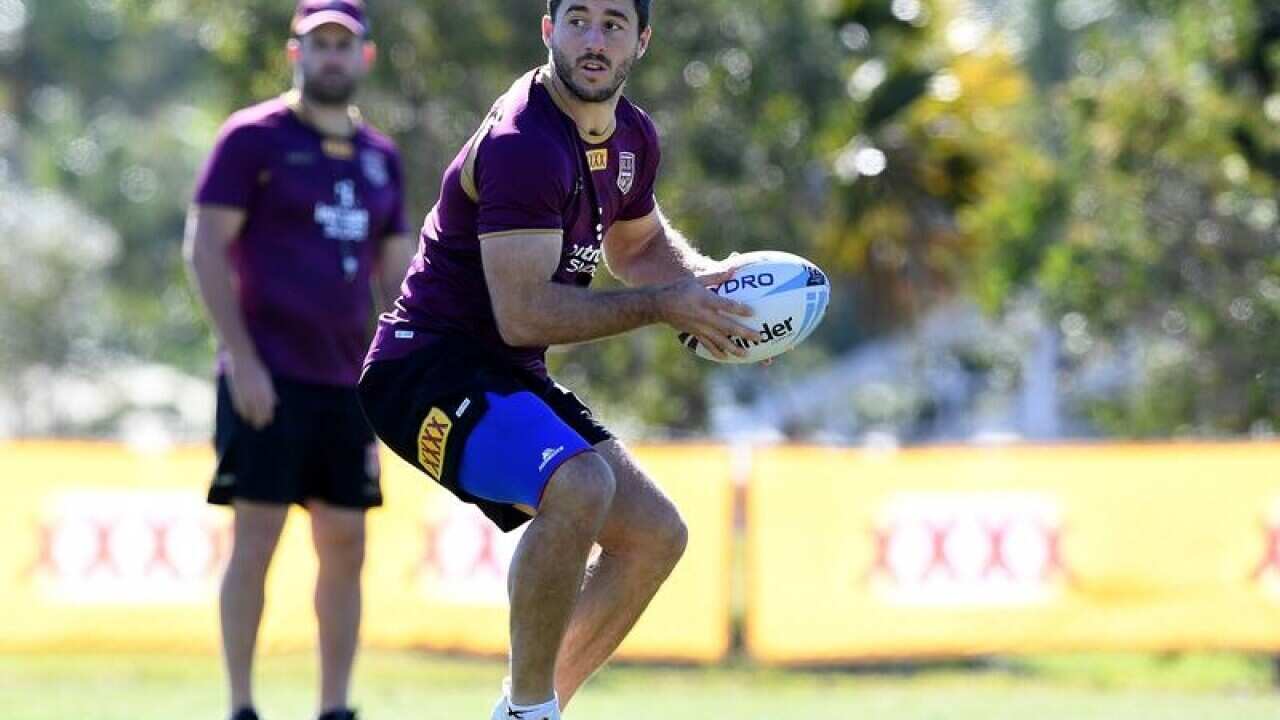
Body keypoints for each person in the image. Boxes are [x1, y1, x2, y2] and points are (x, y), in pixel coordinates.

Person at [357, 1, 762, 718]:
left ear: (642, 39)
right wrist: (667, 305)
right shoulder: (524, 143)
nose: (593, 40)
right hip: (423, 370)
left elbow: (638, 247)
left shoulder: (632, 136)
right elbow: (525, 315)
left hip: (506, 372)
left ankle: (526, 712)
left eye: (613, 23)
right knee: (578, 485)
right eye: (577, 19)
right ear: (549, 30)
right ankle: (530, 711)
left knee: (654, 536)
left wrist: (717, 299)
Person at [183, 2, 413, 719]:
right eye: (320, 44)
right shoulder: (252, 138)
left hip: (348, 383)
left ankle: (333, 706)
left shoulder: (381, 157)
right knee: (256, 537)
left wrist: (401, 372)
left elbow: (397, 277)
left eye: (344, 44)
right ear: (297, 54)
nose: (332, 56)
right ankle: (242, 705)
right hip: (268, 377)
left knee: (346, 542)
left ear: (364, 56)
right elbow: (204, 248)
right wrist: (243, 360)